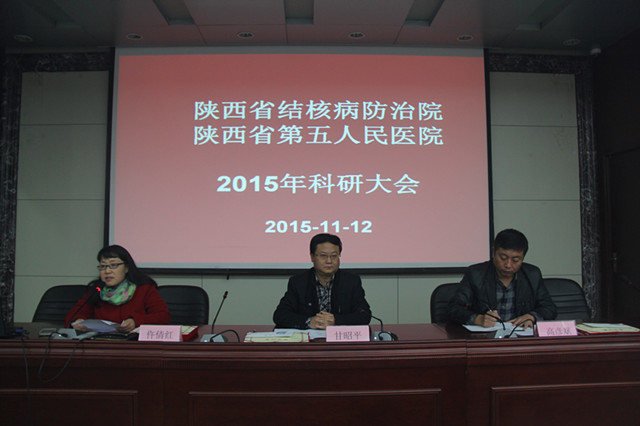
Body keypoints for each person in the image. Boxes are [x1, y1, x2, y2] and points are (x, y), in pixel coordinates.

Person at [448, 228, 556, 329]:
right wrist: (478, 319)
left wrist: (532, 316)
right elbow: (454, 308)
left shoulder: (532, 275)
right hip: (485, 337)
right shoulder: (475, 274)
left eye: (515, 260)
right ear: (493, 252)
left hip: (519, 336)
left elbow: (549, 308)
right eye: (503, 258)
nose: (508, 265)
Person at [273, 233, 372, 329]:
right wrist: (309, 321)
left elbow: (364, 315)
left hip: (338, 338)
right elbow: (280, 315)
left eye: (334, 256)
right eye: (323, 256)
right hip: (310, 338)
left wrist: (335, 320)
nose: (329, 261)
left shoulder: (351, 281)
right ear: (312, 257)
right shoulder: (299, 282)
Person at [65, 245, 170, 333]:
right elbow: (75, 313)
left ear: (126, 268)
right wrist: (78, 321)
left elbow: (163, 316)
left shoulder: (144, 289)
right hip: (102, 342)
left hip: (133, 343)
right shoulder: (97, 289)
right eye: (103, 266)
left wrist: (135, 321)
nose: (107, 271)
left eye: (113, 265)